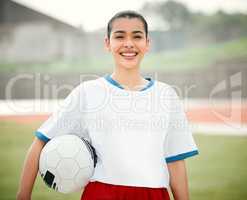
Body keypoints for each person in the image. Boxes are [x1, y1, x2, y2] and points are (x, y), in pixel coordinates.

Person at [17, 10, 199, 200]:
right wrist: (23, 195)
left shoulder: (166, 95)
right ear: (108, 43)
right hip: (102, 194)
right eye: (119, 36)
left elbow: (175, 161)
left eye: (137, 36)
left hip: (153, 195)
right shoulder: (88, 92)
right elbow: (41, 141)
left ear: (147, 43)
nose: (128, 43)